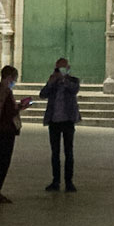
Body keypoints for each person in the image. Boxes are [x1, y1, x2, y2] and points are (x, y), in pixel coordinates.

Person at [40, 57, 80, 189]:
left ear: (68, 68)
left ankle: (69, 182)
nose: (60, 70)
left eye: (63, 67)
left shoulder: (73, 81)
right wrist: (50, 82)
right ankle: (55, 181)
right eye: (58, 68)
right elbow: (42, 94)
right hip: (54, 121)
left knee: (69, 152)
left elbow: (74, 90)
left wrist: (63, 80)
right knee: (55, 152)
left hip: (68, 120)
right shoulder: (52, 82)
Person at [0, 63, 24, 201]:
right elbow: (9, 112)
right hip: (6, 128)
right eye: (14, 78)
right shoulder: (6, 92)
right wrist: (21, 107)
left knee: (1, 158)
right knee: (4, 160)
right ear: (9, 77)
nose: (14, 81)